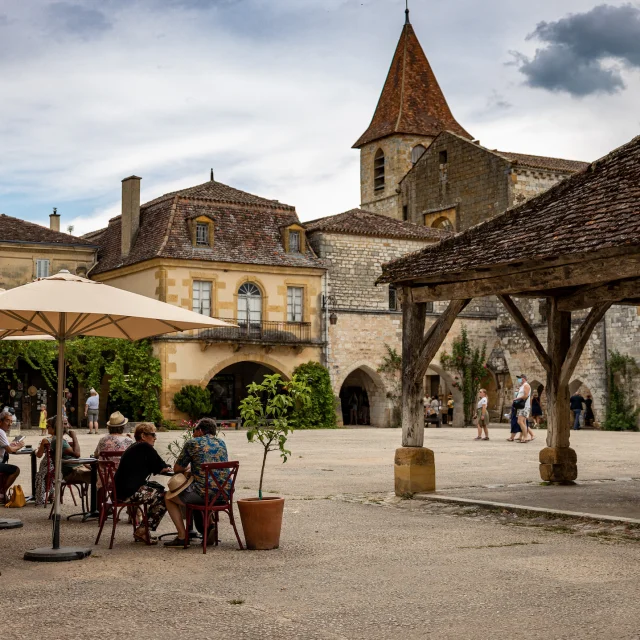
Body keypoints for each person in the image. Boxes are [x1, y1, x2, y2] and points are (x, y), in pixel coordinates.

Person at [164, 417, 228, 548]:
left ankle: (182, 536)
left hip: (204, 495)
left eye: (194, 430)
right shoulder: (221, 443)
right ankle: (208, 527)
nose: (193, 433)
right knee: (200, 488)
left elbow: (177, 469)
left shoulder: (193, 443)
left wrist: (188, 468)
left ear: (200, 430)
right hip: (225, 494)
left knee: (169, 497)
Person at [114, 423, 172, 544]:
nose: (155, 438)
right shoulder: (145, 447)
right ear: (143, 436)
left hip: (120, 491)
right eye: (153, 435)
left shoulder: (135, 447)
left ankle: (144, 529)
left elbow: (156, 465)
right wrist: (165, 468)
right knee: (165, 497)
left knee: (158, 491)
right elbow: (160, 466)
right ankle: (144, 529)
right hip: (129, 492)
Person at [0, 408, 23, 499]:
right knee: (15, 470)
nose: (10, 424)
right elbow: (10, 450)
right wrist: (19, 446)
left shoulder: (2, 432)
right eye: (7, 421)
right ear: (0, 422)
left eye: (11, 421)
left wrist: (10, 444)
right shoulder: (1, 432)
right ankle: (2, 493)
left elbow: (5, 446)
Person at [514, 374, 534, 443]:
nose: (519, 379)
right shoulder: (522, 386)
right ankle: (525, 437)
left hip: (524, 406)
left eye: (520, 378)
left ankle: (525, 437)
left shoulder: (526, 385)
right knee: (524, 422)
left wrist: (517, 398)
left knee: (520, 421)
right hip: (521, 406)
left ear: (523, 378)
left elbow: (525, 396)